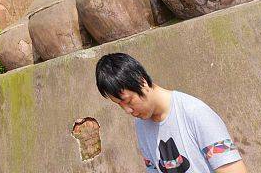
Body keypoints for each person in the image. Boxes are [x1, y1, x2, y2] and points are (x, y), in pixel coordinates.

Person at [96, 53, 247, 173]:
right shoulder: (142, 125)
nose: (127, 111)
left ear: (141, 81)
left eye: (128, 101)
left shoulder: (194, 112)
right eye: (120, 105)